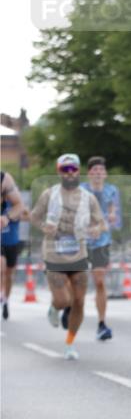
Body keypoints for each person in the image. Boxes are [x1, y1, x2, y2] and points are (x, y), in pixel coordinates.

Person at [30, 154, 105, 359]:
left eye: (73, 168)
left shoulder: (88, 197)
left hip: (79, 254)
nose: (70, 173)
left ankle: (70, 343)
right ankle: (55, 307)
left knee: (79, 302)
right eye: (65, 169)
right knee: (64, 300)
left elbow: (101, 222)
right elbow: (34, 216)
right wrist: (45, 226)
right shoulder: (49, 194)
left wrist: (96, 229)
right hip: (54, 254)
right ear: (59, 171)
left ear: (78, 171)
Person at [82, 156, 122, 340]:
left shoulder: (111, 191)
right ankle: (67, 308)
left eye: (101, 170)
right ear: (89, 173)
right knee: (77, 282)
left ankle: (101, 323)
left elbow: (114, 215)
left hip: (101, 242)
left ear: (105, 174)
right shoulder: (81, 190)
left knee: (99, 281)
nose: (98, 173)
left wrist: (104, 223)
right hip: (80, 241)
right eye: (94, 170)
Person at [1, 170, 25, 320]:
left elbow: (21, 207)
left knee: (9, 274)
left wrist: (7, 217)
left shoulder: (5, 179)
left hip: (11, 242)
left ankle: (6, 301)